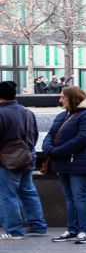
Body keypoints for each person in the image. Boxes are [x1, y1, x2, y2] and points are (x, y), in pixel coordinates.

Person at [42, 86, 86, 244]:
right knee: (69, 198)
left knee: (80, 197)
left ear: (73, 98)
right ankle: (72, 229)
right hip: (62, 162)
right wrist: (48, 148)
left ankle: (84, 231)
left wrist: (57, 151)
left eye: (63, 97)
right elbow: (50, 134)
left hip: (79, 163)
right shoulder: (63, 115)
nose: (60, 100)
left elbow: (84, 138)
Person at [0, 81, 46, 240]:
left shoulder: (1, 113)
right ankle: (37, 227)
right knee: (28, 192)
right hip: (27, 159)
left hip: (7, 162)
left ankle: (14, 230)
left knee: (8, 195)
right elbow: (34, 136)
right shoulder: (27, 112)